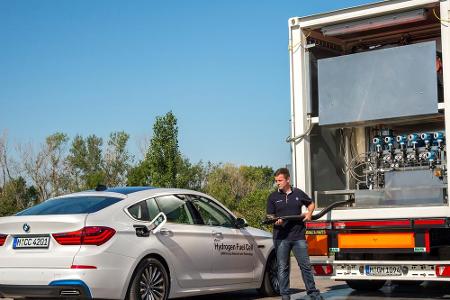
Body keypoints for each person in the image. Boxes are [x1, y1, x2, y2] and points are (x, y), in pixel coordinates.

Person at [267, 168, 322, 300]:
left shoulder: (298, 193)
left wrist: (309, 213)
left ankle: (313, 294)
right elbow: (270, 215)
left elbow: (311, 204)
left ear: (287, 179)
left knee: (305, 267)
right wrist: (275, 220)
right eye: (276, 181)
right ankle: (285, 296)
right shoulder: (273, 197)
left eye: (280, 180)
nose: (278, 183)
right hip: (281, 238)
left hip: (298, 237)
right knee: (282, 268)